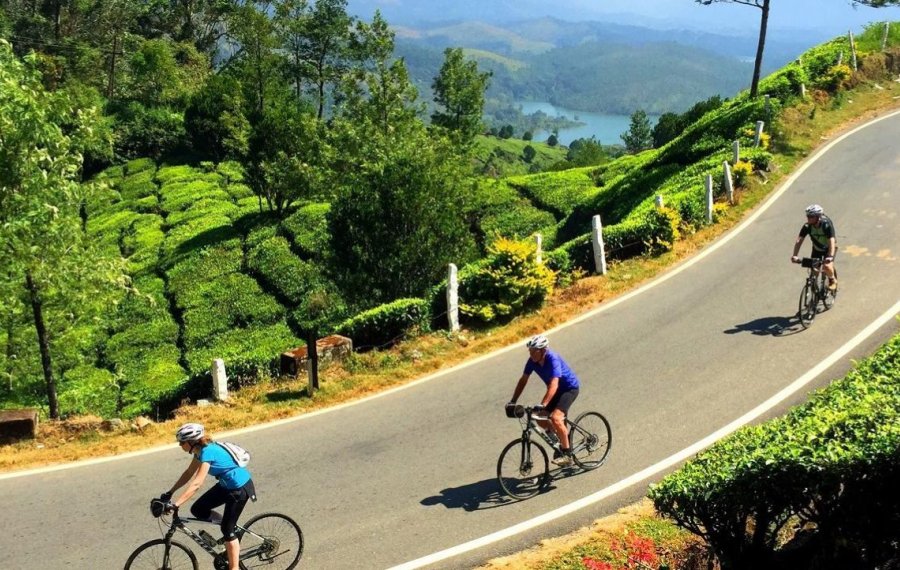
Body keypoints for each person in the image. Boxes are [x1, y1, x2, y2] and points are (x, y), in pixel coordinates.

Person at [161, 423, 256, 570]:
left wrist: (176, 504)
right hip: (226, 486)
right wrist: (169, 492)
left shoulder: (207, 452)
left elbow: (197, 483)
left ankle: (234, 564)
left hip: (239, 488)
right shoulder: (198, 452)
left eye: (182, 442)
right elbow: (188, 473)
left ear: (191, 442)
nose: (180, 445)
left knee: (227, 529)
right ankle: (231, 529)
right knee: (198, 509)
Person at [507, 334, 581, 467]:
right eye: (529, 351)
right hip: (556, 391)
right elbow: (523, 380)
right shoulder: (531, 362)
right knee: (540, 418)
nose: (531, 354)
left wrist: (544, 404)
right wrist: (513, 400)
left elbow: (554, 384)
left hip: (569, 389)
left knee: (556, 418)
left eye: (533, 351)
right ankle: (559, 440)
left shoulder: (553, 358)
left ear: (542, 350)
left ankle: (568, 455)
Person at [791, 204, 838, 290]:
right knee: (814, 270)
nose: (808, 218)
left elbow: (831, 240)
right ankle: (815, 289)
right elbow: (799, 240)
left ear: (818, 217)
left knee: (827, 266)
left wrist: (830, 256)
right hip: (817, 249)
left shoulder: (826, 225)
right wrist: (795, 255)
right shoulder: (807, 226)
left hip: (829, 248)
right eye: (808, 216)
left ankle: (832, 280)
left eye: (811, 216)